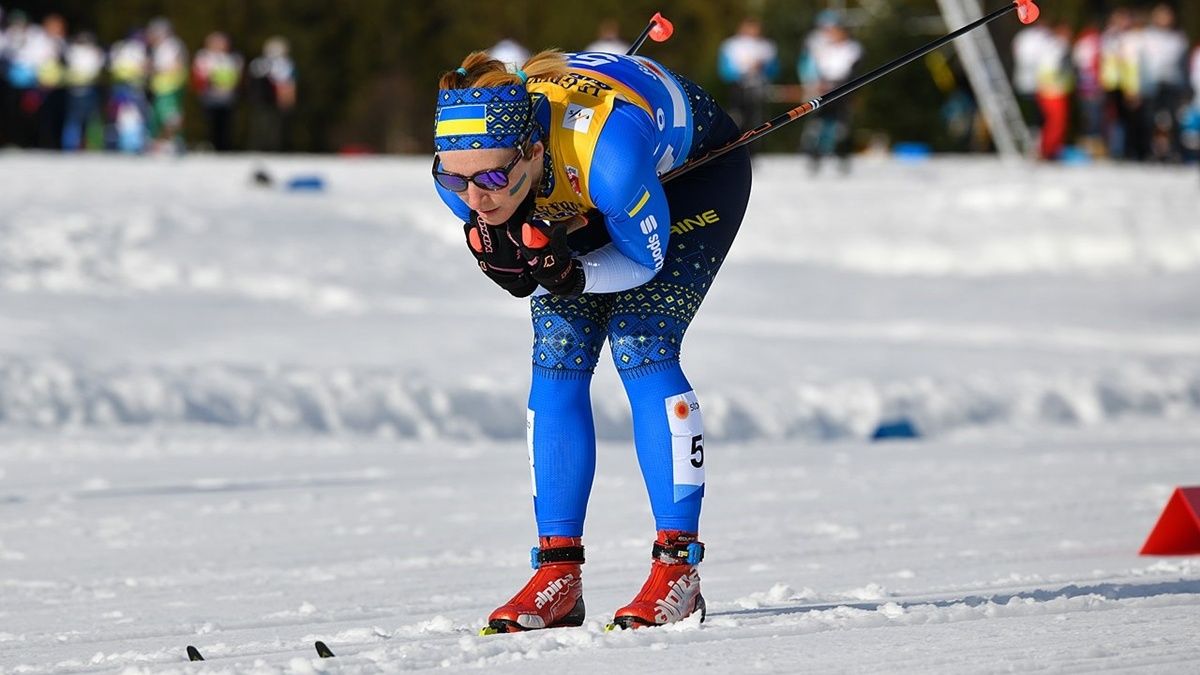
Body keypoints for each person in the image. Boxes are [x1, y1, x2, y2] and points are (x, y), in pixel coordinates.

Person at [432, 49, 751, 632]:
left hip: (693, 179)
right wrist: (524, 266)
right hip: (579, 195)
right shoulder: (469, 173)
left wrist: (572, 274)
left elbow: (644, 261)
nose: (475, 197)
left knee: (642, 346)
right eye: (454, 179)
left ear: (530, 150)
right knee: (556, 359)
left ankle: (678, 570)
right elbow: (497, 217)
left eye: (492, 179)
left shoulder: (607, 156)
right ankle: (557, 575)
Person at [798, 10, 862, 173]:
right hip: (822, 89)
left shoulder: (852, 48)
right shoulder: (820, 45)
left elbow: (853, 70)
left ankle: (842, 156)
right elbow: (811, 67)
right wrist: (815, 83)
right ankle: (814, 156)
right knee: (818, 124)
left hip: (843, 89)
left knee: (841, 126)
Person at [717, 17, 778, 134]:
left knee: (756, 118)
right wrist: (741, 72)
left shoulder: (767, 46)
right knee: (737, 116)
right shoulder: (731, 45)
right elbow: (725, 70)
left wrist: (763, 68)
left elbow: (774, 69)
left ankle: (753, 148)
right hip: (738, 86)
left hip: (759, 85)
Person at [192, 31, 243, 152]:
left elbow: (236, 76)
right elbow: (200, 76)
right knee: (211, 122)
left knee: (226, 123)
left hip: (227, 95)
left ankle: (225, 147)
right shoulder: (203, 56)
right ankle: (212, 145)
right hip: (210, 95)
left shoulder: (233, 58)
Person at [246, 36, 296, 152]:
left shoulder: (286, 64)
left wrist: (288, 98)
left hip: (276, 100)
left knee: (276, 126)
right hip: (262, 99)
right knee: (261, 124)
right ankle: (258, 147)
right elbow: (254, 82)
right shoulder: (259, 63)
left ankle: (274, 148)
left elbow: (289, 84)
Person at [146, 17, 187, 152]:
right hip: (161, 87)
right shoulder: (160, 47)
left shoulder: (172, 45)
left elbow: (177, 65)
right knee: (159, 116)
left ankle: (173, 141)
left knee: (170, 116)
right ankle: (161, 142)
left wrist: (156, 68)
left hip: (170, 87)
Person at [61, 31, 104, 151]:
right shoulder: (89, 53)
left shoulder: (71, 51)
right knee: (89, 119)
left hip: (76, 90)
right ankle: (91, 145)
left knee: (75, 119)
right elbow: (96, 68)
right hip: (85, 89)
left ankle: (71, 146)